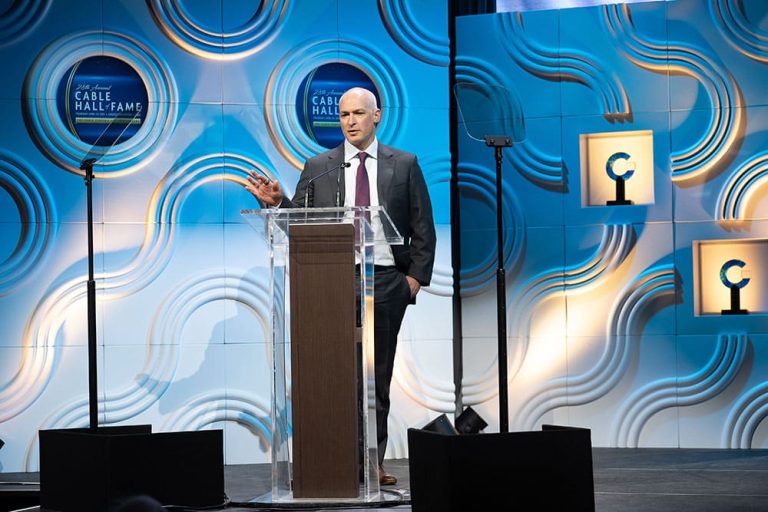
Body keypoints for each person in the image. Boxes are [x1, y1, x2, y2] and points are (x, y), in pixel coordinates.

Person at [245, 87, 436, 485]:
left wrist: (413, 282)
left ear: (376, 116)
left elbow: (423, 227)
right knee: (333, 375)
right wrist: (279, 204)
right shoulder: (320, 165)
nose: (350, 121)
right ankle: (334, 460)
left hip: (385, 281)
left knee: (375, 376)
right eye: (344, 114)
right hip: (331, 280)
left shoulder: (404, 164)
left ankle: (372, 462)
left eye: (358, 113)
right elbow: (305, 220)